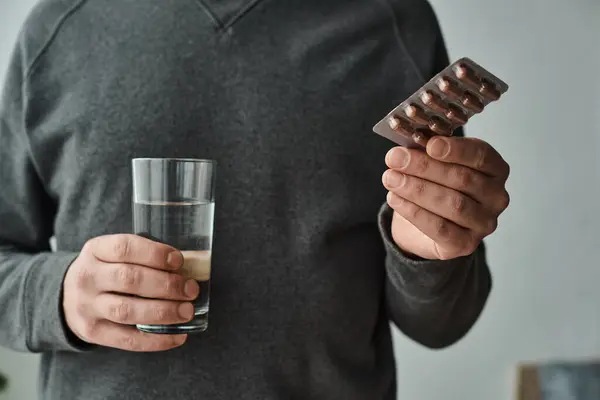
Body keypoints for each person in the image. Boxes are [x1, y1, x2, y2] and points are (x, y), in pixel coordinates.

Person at [0, 0, 509, 399]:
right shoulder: (59, 28)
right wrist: (61, 297)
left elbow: (445, 322)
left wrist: (422, 252)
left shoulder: (394, 23)